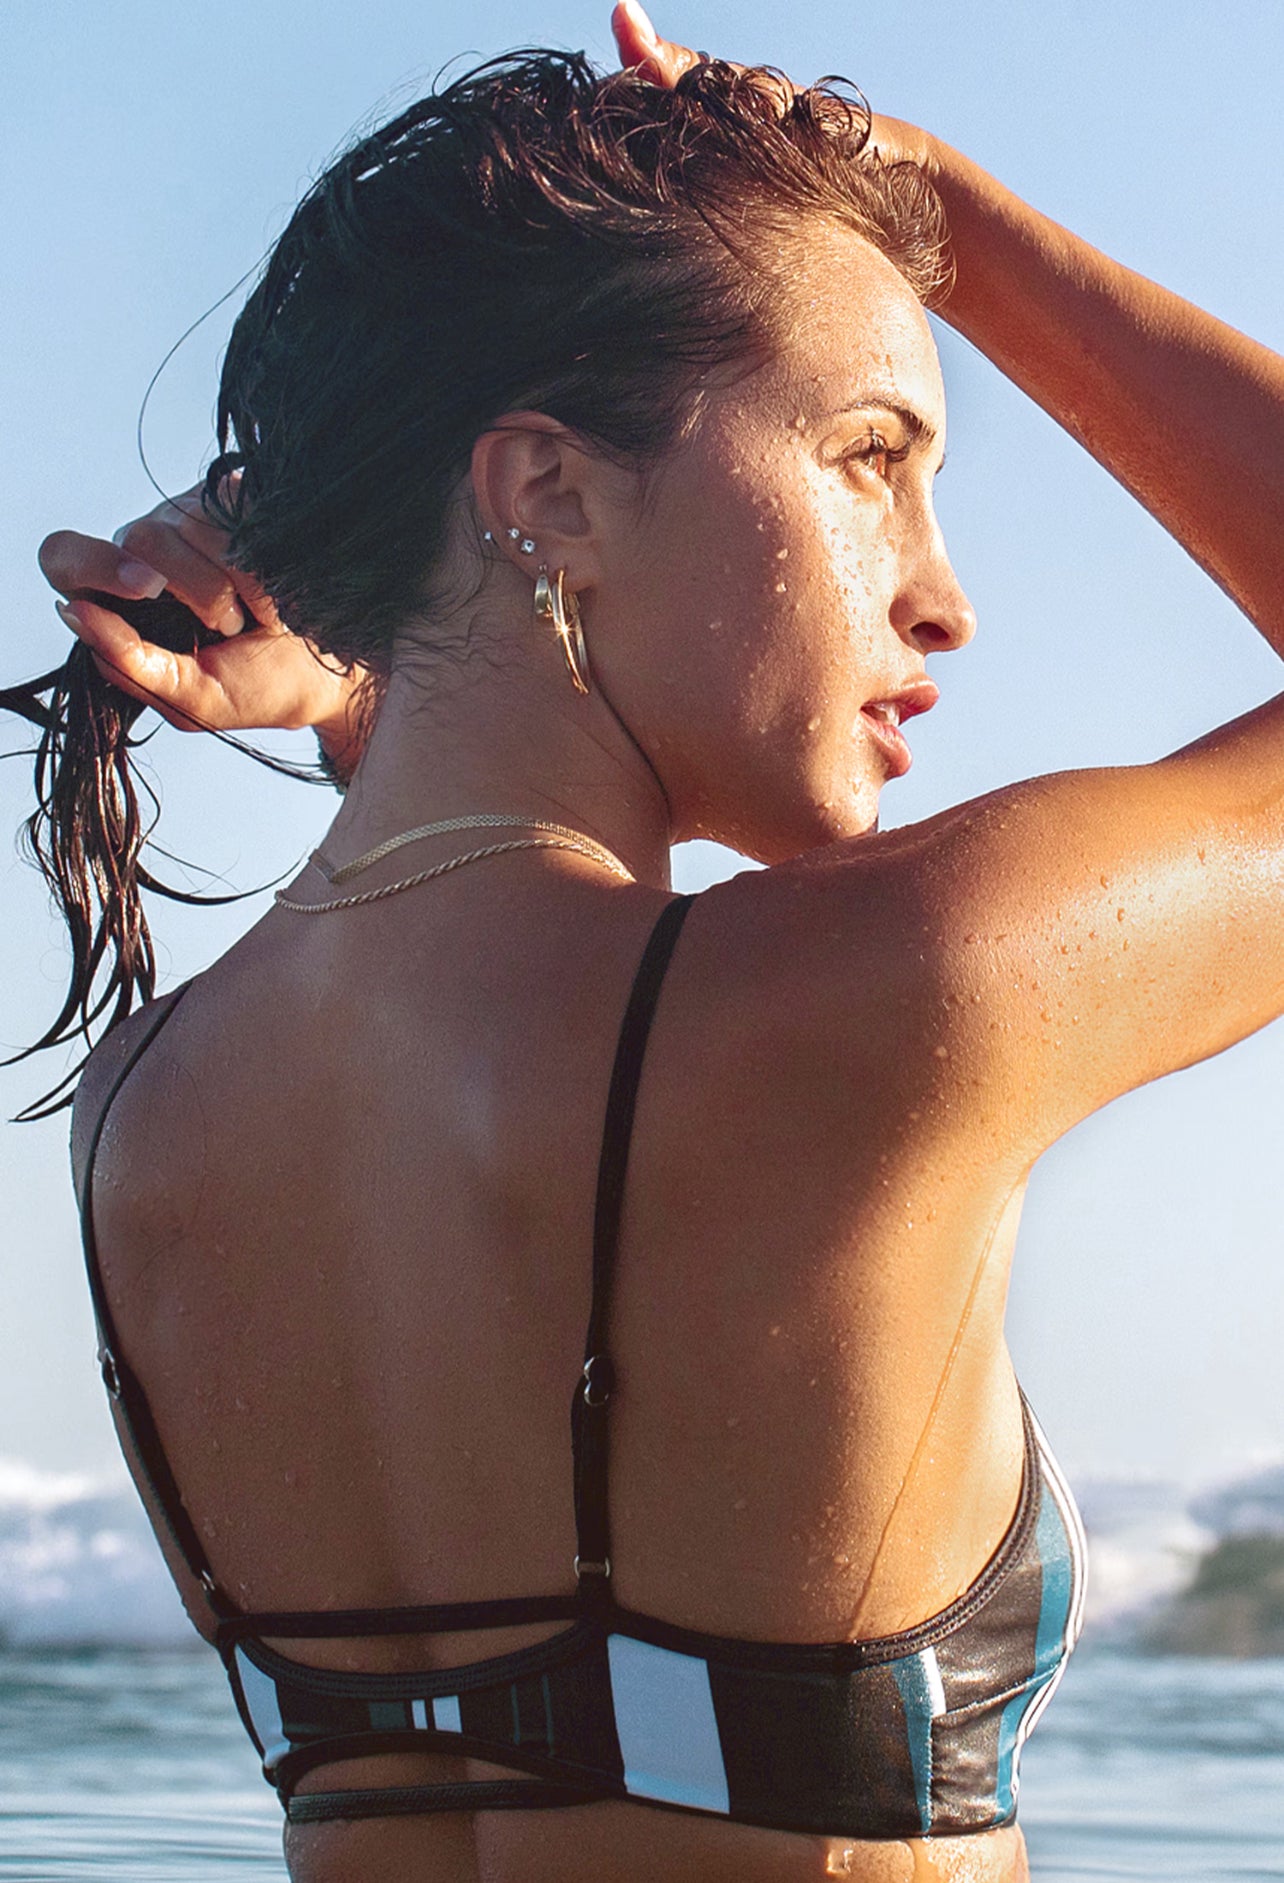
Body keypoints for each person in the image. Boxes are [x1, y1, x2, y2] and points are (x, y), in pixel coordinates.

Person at [18, 3, 1284, 1877]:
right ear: (546, 491)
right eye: (872, 459)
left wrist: (385, 641)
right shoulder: (880, 995)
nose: (945, 598)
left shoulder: (144, 1118)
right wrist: (953, 220)